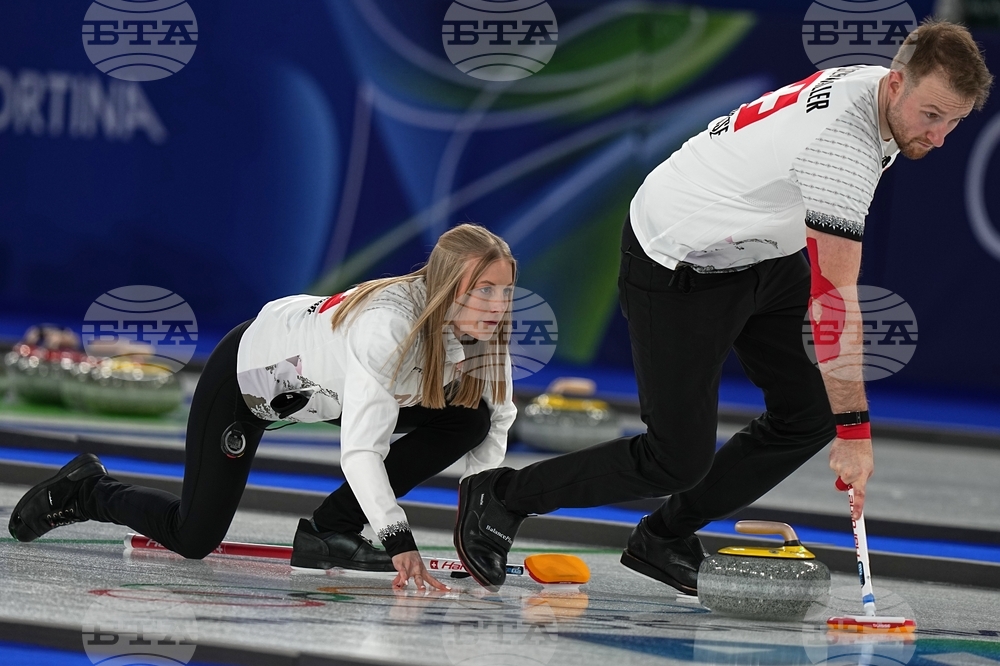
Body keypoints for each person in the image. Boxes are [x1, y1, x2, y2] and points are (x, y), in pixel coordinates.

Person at [454, 19, 994, 594]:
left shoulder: (880, 86)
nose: (938, 137)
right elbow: (834, 307)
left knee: (809, 414)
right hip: (680, 257)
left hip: (761, 248)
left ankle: (665, 535)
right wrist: (857, 434)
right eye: (931, 115)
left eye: (954, 122)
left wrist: (842, 421)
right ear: (894, 85)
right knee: (674, 459)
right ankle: (499, 497)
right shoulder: (844, 147)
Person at [10, 224, 517, 591]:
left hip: (318, 390)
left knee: (470, 417)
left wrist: (478, 519)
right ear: (449, 288)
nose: (497, 305)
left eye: (505, 291)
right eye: (484, 290)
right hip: (245, 383)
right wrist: (397, 537)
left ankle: (328, 531)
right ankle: (86, 491)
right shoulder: (387, 328)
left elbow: (499, 417)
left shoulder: (484, 331)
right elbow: (361, 451)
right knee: (193, 537)